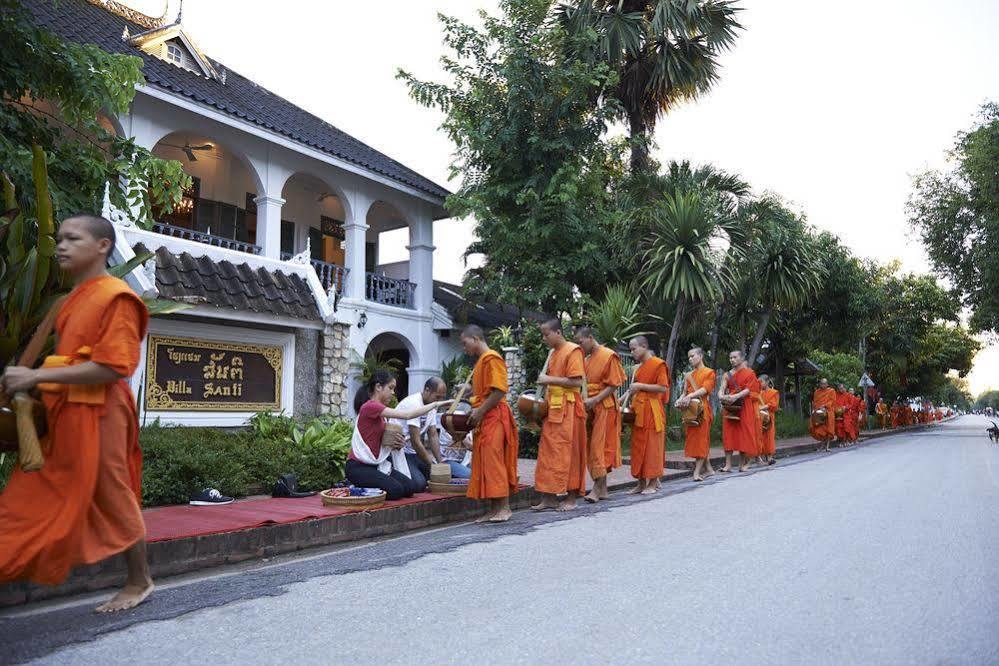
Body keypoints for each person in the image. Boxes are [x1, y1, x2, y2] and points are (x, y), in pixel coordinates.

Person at [0, 214, 152, 612]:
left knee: (111, 491)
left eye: (73, 238)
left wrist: (35, 373)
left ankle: (140, 579)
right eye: (61, 239)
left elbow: (115, 365)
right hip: (64, 409)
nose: (62, 246)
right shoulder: (71, 302)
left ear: (102, 246)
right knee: (37, 490)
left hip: (101, 409)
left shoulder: (117, 297)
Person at [347, 370, 451, 501]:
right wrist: (435, 405)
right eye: (390, 388)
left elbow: (382, 442)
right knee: (396, 491)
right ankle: (360, 489)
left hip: (378, 465)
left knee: (410, 487)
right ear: (378, 387)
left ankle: (373, 485)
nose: (393, 392)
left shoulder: (382, 415)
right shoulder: (370, 406)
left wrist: (397, 444)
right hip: (358, 467)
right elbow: (408, 415)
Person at [461, 325, 518, 522]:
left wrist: (480, 410)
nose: (464, 347)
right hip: (485, 417)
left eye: (465, 342)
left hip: (494, 416)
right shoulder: (481, 362)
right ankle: (494, 509)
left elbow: (500, 391)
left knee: (495, 461)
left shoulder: (492, 357)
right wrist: (470, 391)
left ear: (475, 338)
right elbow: (485, 391)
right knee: (485, 462)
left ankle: (505, 507)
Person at [533, 319, 587, 512]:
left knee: (569, 452)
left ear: (557, 332)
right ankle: (549, 497)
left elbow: (576, 382)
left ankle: (571, 498)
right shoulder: (553, 353)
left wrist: (548, 379)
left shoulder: (573, 350)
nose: (544, 338)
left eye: (546, 334)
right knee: (548, 453)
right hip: (553, 409)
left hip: (569, 409)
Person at [573, 326, 626, 503]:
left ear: (590, 337)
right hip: (590, 407)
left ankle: (597, 488)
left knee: (599, 447)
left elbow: (614, 385)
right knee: (590, 447)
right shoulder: (586, 360)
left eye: (581, 342)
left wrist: (595, 401)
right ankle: (602, 488)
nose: (580, 347)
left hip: (604, 406)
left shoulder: (608, 355)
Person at [622, 336, 669, 494]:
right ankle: (641, 483)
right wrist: (619, 401)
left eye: (634, 349)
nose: (632, 352)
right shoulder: (638, 368)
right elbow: (632, 390)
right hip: (638, 410)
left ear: (644, 346)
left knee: (652, 446)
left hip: (652, 409)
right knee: (638, 446)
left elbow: (663, 388)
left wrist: (641, 385)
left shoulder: (658, 364)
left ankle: (652, 483)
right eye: (630, 349)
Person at [390, 377, 449, 492]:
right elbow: (416, 441)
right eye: (437, 397)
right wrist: (431, 463)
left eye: (442, 398)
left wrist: (440, 462)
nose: (439, 400)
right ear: (427, 390)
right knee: (419, 484)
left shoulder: (432, 405)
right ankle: (391, 469)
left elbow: (433, 435)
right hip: (399, 451)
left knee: (437, 476)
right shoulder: (414, 404)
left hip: (413, 453)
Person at [676, 347, 716, 482]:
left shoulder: (709, 372)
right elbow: (684, 392)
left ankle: (696, 472)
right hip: (690, 410)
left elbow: (705, 390)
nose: (690, 359)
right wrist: (680, 399)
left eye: (693, 356)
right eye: (689, 357)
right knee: (697, 441)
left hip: (702, 409)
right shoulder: (689, 375)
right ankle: (709, 469)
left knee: (701, 441)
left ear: (700, 356)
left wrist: (690, 395)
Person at [718, 350, 761, 472]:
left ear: (741, 358)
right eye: (730, 358)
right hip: (730, 406)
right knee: (728, 434)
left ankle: (743, 463)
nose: (732, 360)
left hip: (744, 405)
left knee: (744, 434)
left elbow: (749, 390)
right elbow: (722, 388)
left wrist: (736, 396)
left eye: (735, 357)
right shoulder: (727, 374)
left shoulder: (749, 373)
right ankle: (728, 465)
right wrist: (721, 396)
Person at [809, 378, 837, 450]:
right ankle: (822, 445)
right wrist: (815, 409)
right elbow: (815, 402)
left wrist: (825, 406)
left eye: (824, 383)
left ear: (827, 384)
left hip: (828, 411)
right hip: (819, 411)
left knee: (828, 429)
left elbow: (832, 401)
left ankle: (827, 446)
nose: (823, 385)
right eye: (821, 383)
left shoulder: (831, 391)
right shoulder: (817, 392)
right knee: (819, 429)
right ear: (819, 384)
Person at [759, 374, 780, 465]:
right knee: (760, 437)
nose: (759, 384)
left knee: (769, 436)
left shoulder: (774, 392)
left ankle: (770, 457)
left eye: (761, 382)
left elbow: (774, 405)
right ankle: (763, 457)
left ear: (767, 382)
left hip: (769, 417)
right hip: (759, 417)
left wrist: (763, 407)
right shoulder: (758, 393)